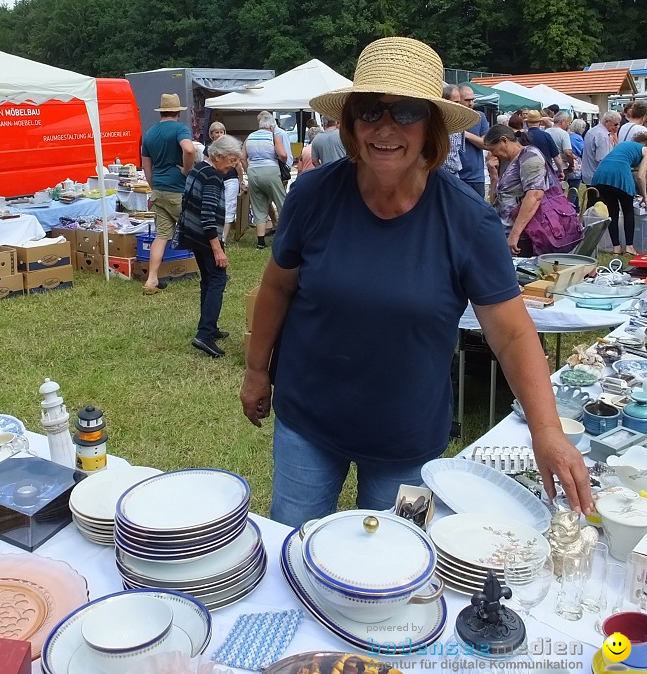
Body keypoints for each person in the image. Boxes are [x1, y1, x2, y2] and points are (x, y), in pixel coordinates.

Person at [239, 37, 592, 527]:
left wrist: (547, 431)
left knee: (397, 566)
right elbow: (277, 286)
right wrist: (258, 370)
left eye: (406, 112)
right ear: (350, 124)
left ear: (431, 127)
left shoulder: (468, 219)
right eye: (369, 112)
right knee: (294, 545)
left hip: (408, 438)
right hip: (308, 422)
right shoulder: (314, 194)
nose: (385, 128)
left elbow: (511, 333)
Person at [178, 134, 243, 358]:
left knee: (207, 279)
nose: (234, 165)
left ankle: (210, 327)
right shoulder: (214, 178)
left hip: (192, 234)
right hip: (206, 237)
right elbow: (207, 216)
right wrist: (218, 249)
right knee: (218, 279)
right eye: (232, 160)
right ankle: (204, 334)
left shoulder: (196, 169)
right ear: (217, 156)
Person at [484, 125, 582, 256]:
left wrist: (515, 234)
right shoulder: (511, 161)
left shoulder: (530, 157)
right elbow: (496, 201)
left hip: (525, 236)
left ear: (504, 140)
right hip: (508, 231)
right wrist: (494, 176)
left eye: (492, 149)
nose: (492, 154)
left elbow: (535, 195)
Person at [141, 93, 196, 295]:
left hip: (159, 191)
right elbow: (189, 150)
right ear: (178, 112)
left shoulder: (149, 133)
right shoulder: (180, 129)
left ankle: (152, 279)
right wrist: (186, 170)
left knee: (162, 235)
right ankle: (213, 270)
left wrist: (153, 186)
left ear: (161, 111)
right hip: (177, 191)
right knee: (197, 231)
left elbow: (146, 166)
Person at [591, 132, 647, 254]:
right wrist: (645, 197)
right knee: (628, 211)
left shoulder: (625, 144)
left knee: (612, 211)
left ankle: (616, 247)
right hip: (620, 175)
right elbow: (641, 176)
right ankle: (629, 246)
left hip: (601, 174)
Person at [244, 111, 288, 249]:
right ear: (271, 126)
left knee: (258, 206)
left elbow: (241, 156)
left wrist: (248, 170)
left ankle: (261, 241)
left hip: (253, 172)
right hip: (270, 171)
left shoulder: (250, 137)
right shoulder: (273, 136)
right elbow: (283, 155)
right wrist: (282, 160)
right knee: (282, 203)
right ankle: (285, 236)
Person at [206, 122, 246, 242]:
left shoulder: (231, 148)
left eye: (221, 131)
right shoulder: (208, 149)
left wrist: (241, 181)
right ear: (211, 135)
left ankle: (223, 238)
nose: (219, 134)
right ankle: (216, 236)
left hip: (230, 180)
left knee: (229, 207)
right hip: (216, 180)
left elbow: (238, 166)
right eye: (216, 132)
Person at [580, 110, 620, 207]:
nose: (617, 127)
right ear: (607, 122)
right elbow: (603, 159)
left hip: (589, 174)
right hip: (598, 176)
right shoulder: (602, 135)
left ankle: (589, 220)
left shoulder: (593, 130)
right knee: (599, 206)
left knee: (592, 203)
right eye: (615, 124)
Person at [458, 83, 489, 197]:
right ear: (458, 99)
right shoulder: (450, 118)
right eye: (467, 100)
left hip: (476, 177)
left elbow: (486, 144)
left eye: (472, 100)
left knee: (478, 213)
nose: (471, 103)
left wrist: (465, 134)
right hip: (455, 176)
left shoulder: (480, 117)